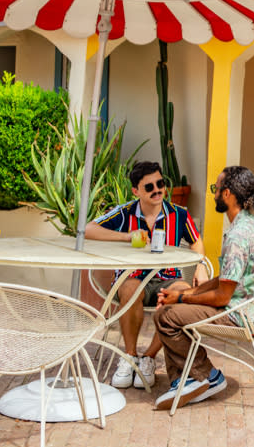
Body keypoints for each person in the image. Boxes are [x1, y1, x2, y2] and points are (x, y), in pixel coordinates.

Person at [152, 165, 254, 411]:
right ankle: (183, 380)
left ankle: (207, 376)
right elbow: (226, 278)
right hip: (249, 307)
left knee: (165, 316)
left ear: (227, 194)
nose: (214, 194)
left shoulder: (238, 235)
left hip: (240, 315)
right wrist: (187, 292)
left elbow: (222, 296)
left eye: (216, 189)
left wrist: (180, 300)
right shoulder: (252, 223)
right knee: (172, 310)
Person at [84, 160, 209, 389]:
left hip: (168, 278)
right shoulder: (124, 213)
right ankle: (130, 357)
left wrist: (200, 265)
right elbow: (89, 229)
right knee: (131, 289)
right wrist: (126, 236)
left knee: (181, 294)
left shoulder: (179, 214)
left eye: (160, 183)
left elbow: (197, 241)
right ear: (136, 191)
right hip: (133, 277)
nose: (157, 190)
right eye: (149, 187)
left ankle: (148, 358)